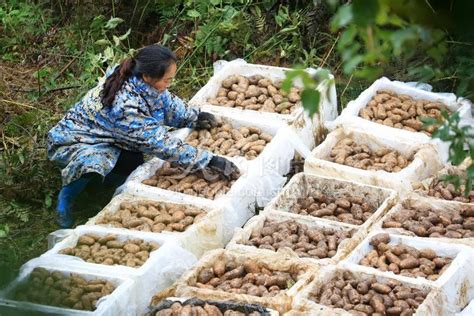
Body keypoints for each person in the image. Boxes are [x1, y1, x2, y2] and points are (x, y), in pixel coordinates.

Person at [47, 44, 238, 228]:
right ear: (147, 76)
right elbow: (159, 144)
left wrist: (194, 117)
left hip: (112, 136)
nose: (169, 84)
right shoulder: (126, 105)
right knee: (92, 164)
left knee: (133, 160)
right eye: (167, 80)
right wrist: (209, 160)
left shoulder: (143, 81)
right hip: (75, 141)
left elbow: (167, 103)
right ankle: (66, 201)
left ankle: (105, 189)